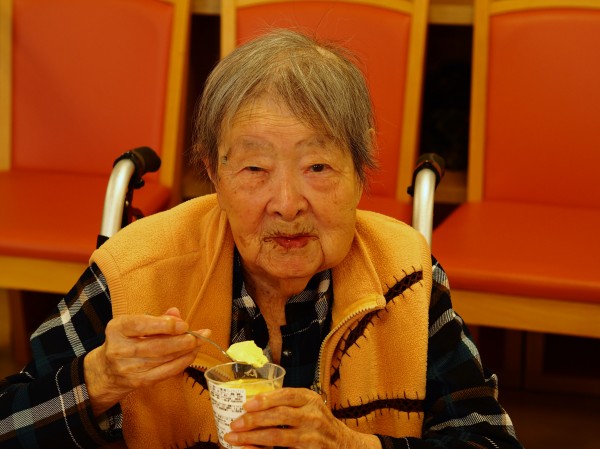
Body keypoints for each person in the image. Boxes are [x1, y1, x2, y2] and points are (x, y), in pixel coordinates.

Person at [0, 29, 523, 449]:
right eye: (254, 169)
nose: (287, 204)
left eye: (318, 166)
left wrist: (351, 445)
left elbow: (488, 438)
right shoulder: (138, 271)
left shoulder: (403, 274)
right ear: (214, 172)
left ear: (360, 171)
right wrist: (98, 380)